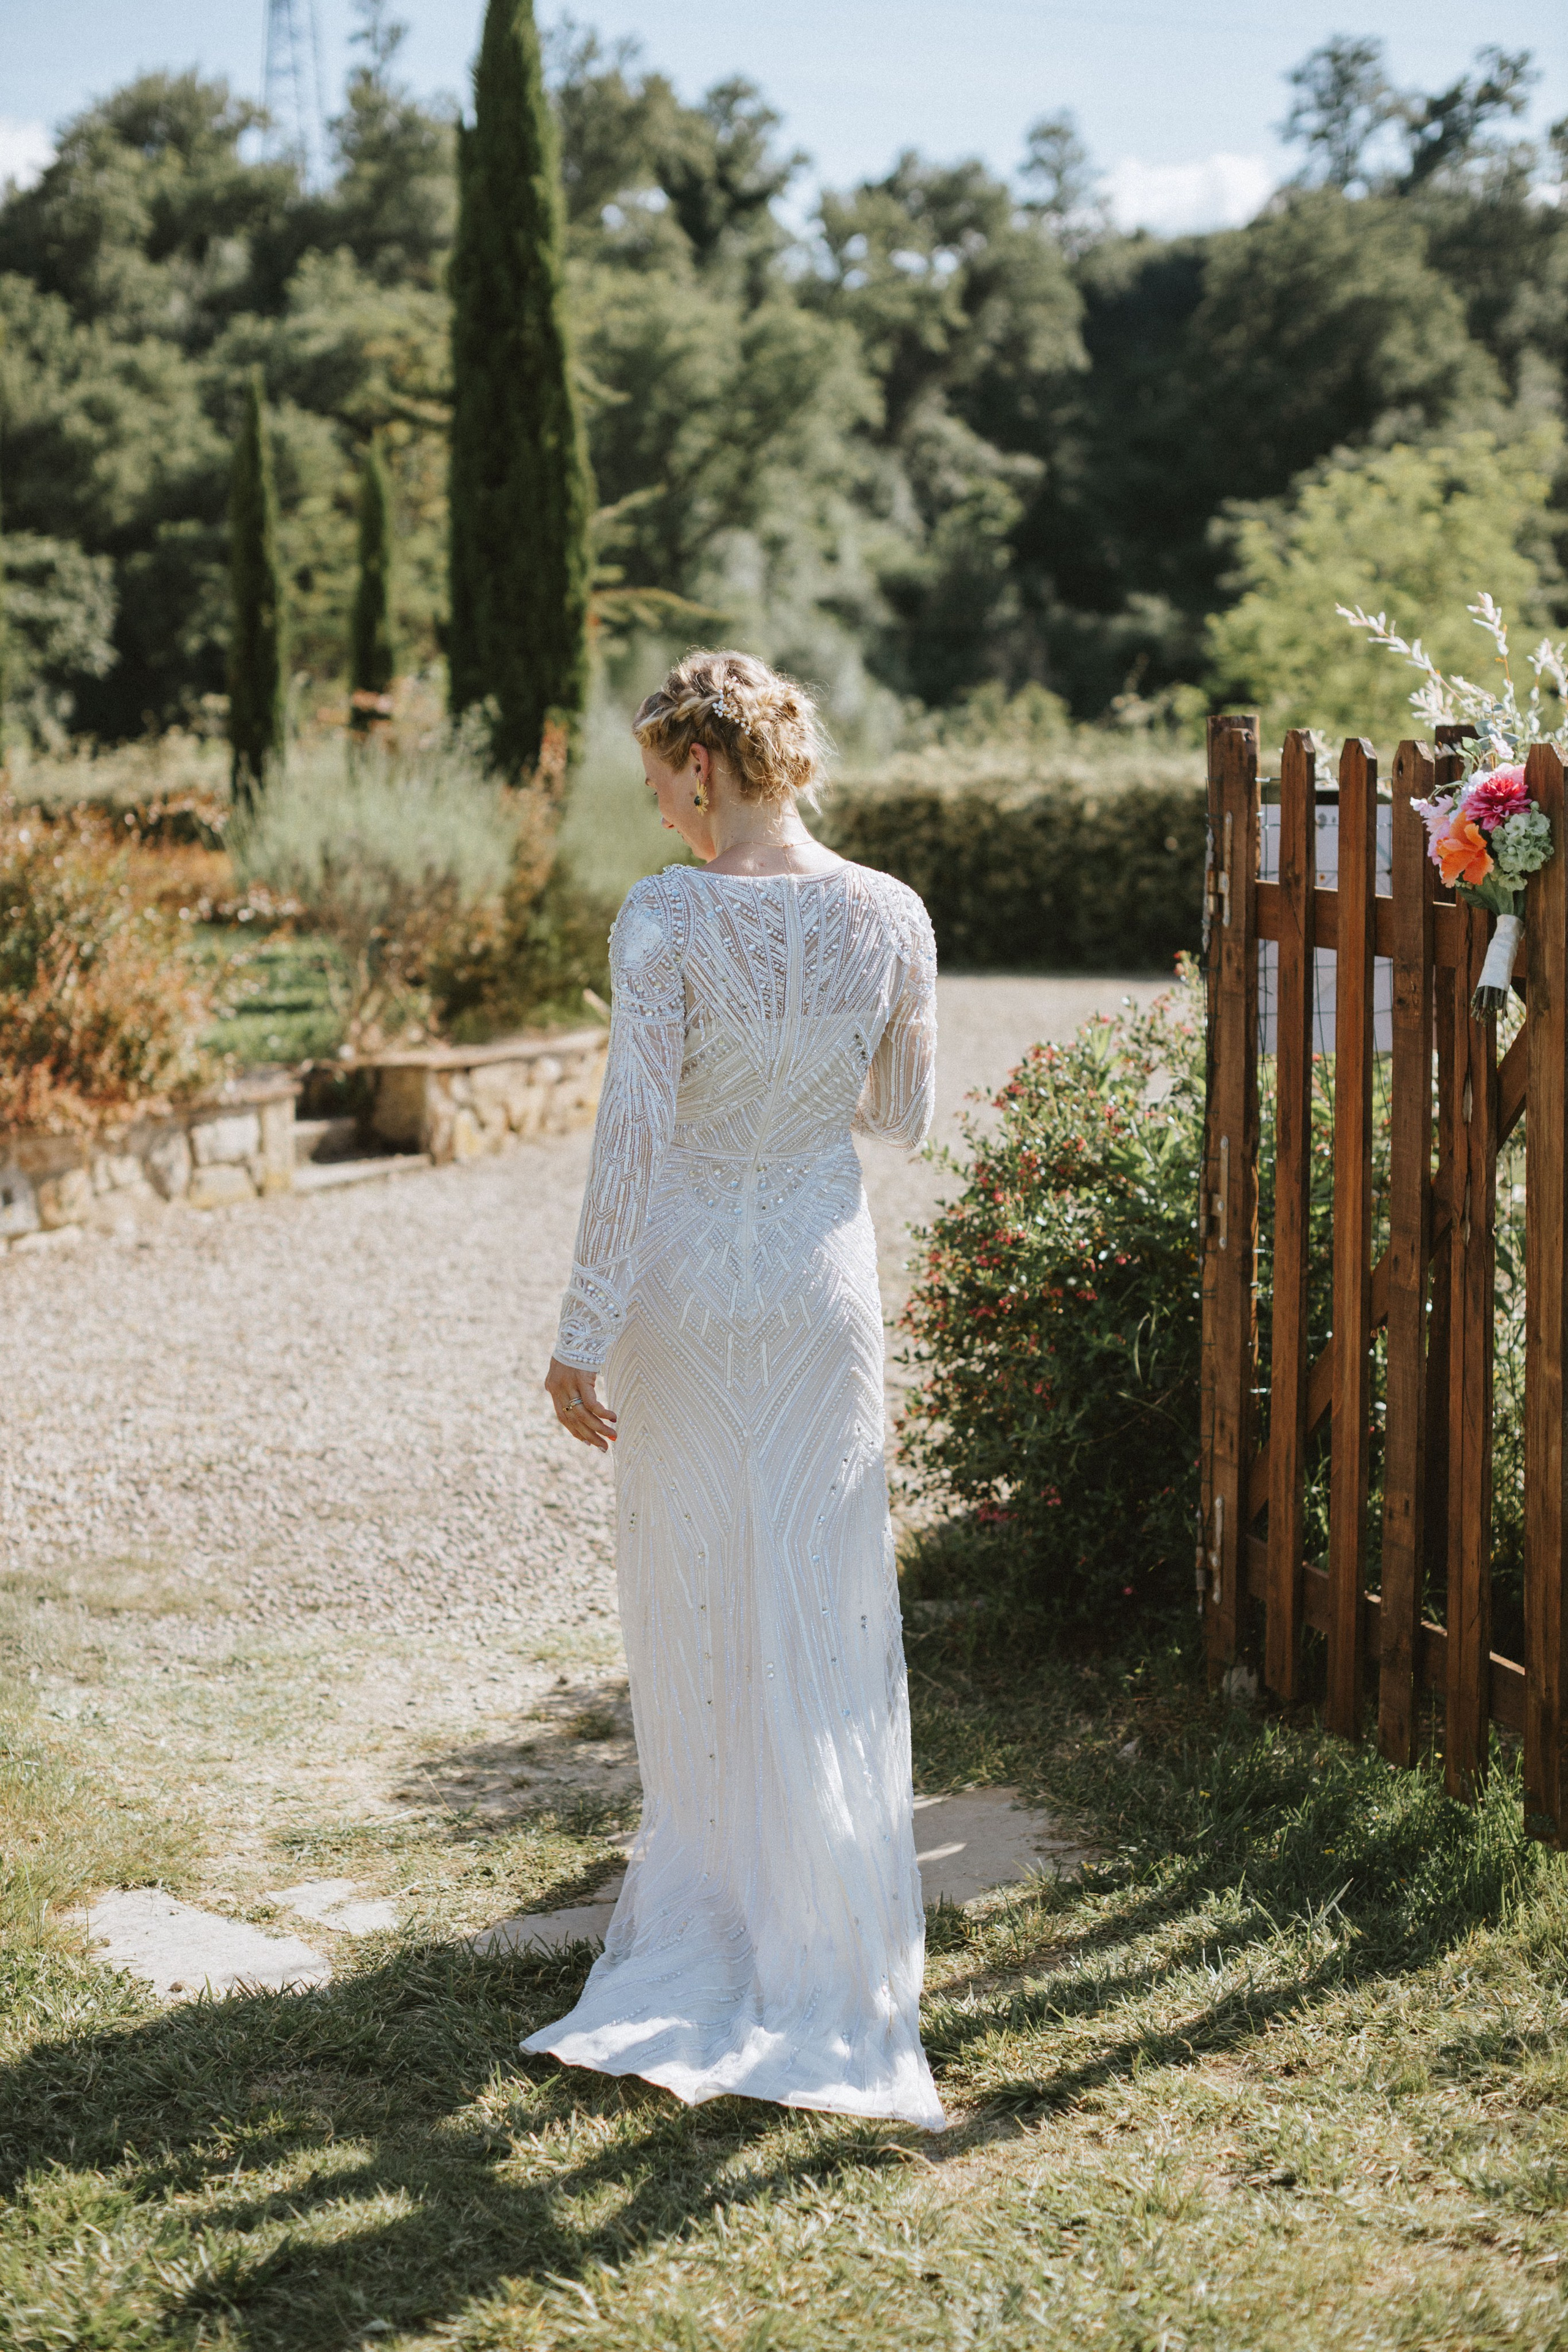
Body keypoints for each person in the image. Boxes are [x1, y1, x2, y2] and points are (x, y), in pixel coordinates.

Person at [528, 649, 944, 2130]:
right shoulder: (891, 911)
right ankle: (819, 1931)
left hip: (689, 1294)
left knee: (700, 1591)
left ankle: (714, 1916)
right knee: (819, 1589)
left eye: (657, 786)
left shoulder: (666, 915)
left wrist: (578, 1330)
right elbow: (902, 1111)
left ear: (700, 766)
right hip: (822, 1284)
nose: (657, 816)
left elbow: (631, 1138)